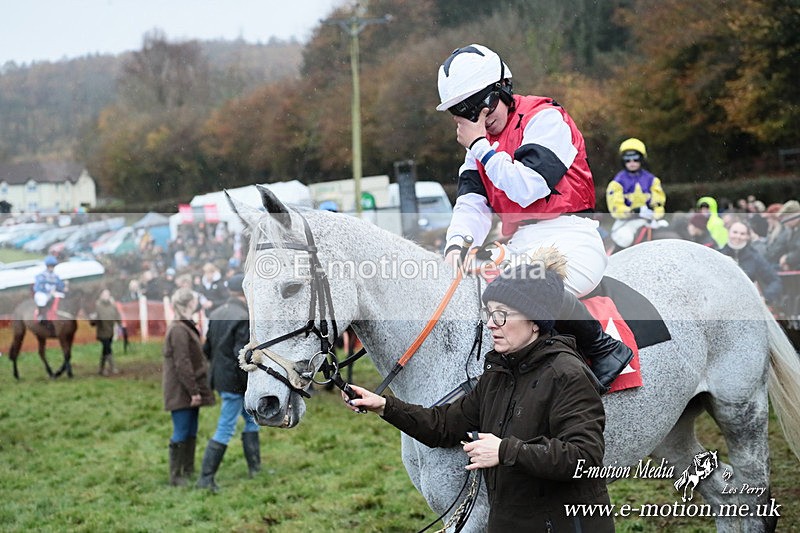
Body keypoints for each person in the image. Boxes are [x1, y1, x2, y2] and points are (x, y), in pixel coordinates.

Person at [343, 263, 614, 532]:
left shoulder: (567, 374)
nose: (491, 324)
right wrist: (385, 406)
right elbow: (444, 425)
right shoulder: (497, 375)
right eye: (489, 313)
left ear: (535, 322)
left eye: (502, 315)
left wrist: (504, 450)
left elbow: (584, 458)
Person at [436, 43, 632, 391]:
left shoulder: (545, 118)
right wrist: (456, 244)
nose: (478, 116)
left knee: (527, 289)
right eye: (463, 110)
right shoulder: (477, 149)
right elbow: (471, 206)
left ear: (503, 89)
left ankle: (604, 349)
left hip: (571, 237)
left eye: (482, 103)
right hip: (519, 243)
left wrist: (480, 145)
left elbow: (529, 187)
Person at [196, 274, 261, 492]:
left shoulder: (216, 313)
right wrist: (249, 384)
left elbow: (207, 349)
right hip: (236, 381)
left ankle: (256, 469)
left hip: (220, 377)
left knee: (252, 420)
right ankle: (206, 478)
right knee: (225, 427)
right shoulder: (244, 316)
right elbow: (240, 356)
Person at [162, 287, 215, 486]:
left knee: (192, 430)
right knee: (181, 431)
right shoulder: (177, 329)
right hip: (181, 390)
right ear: (188, 304)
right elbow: (182, 363)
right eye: (194, 300)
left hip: (188, 389)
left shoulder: (184, 325)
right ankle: (176, 476)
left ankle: (188, 469)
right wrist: (193, 391)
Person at [606, 138, 667, 249]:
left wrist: (654, 214)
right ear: (623, 161)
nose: (632, 163)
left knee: (667, 233)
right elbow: (616, 208)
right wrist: (633, 212)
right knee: (625, 238)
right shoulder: (617, 183)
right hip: (627, 222)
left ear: (641, 160)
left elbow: (659, 205)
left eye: (635, 159)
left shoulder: (652, 180)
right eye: (627, 160)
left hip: (650, 220)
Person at [719, 221, 782, 307]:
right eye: (735, 232)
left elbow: (775, 280)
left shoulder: (755, 257)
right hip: (721, 304)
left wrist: (765, 298)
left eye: (742, 233)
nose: (738, 236)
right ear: (728, 232)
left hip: (747, 306)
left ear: (748, 236)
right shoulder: (718, 255)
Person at [91, 288, 122, 376]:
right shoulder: (98, 305)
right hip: (102, 332)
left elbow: (117, 315)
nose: (106, 297)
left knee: (105, 350)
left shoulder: (113, 305)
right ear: (101, 296)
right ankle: (112, 367)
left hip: (110, 331)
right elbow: (94, 319)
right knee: (107, 348)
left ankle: (101, 369)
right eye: (104, 295)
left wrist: (120, 324)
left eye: (107, 295)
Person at [33, 254, 66, 324]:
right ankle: (41, 316)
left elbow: (60, 285)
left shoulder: (55, 276)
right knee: (42, 299)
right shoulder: (41, 275)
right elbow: (37, 287)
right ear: (47, 266)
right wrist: (48, 291)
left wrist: (63, 287)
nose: (52, 268)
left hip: (53, 293)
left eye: (53, 266)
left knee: (63, 296)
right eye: (50, 266)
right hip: (42, 293)